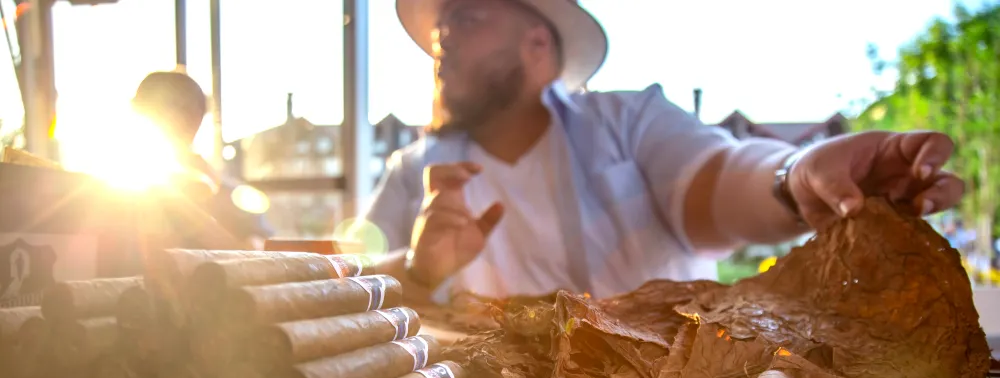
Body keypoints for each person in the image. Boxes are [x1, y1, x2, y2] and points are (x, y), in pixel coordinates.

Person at [361, 0, 965, 303]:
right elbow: (345, 287)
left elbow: (718, 179)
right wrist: (416, 273)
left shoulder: (629, 121)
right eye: (441, 35)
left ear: (537, 42)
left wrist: (792, 175)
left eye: (466, 19)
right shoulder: (414, 173)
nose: (444, 44)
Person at [131, 70, 272, 248]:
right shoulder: (116, 192)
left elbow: (256, 252)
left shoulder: (228, 194)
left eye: (173, 109)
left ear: (195, 116)